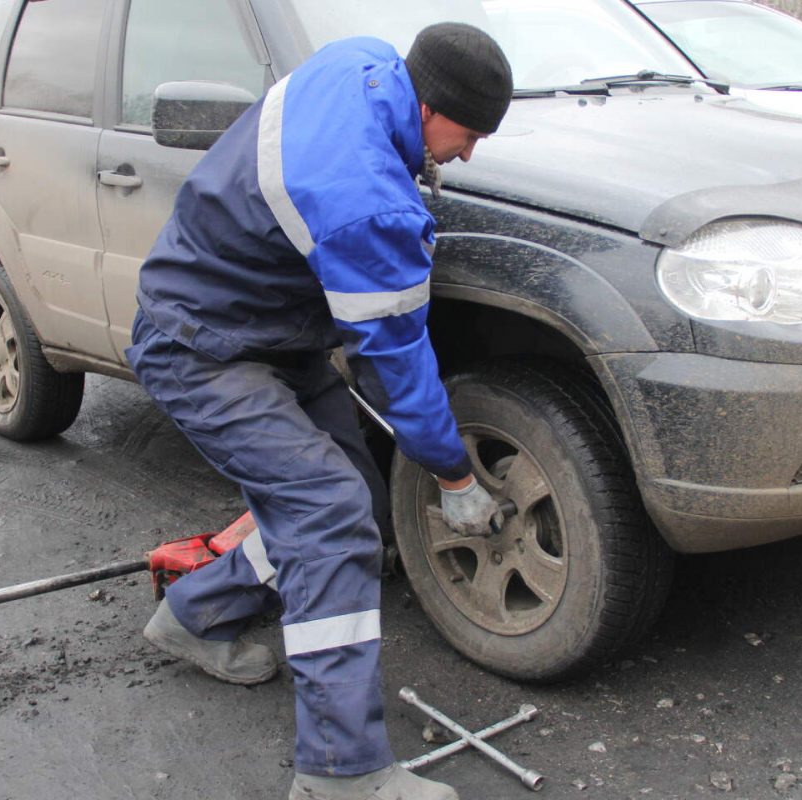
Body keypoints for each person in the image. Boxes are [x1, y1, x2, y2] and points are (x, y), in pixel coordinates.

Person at [125, 22, 513, 800]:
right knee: (331, 512)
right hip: (202, 347)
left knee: (356, 496)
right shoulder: (364, 194)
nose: (467, 154)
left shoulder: (364, 62)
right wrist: (454, 474)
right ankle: (342, 774)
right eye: (467, 135)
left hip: (268, 328)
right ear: (430, 105)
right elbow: (396, 360)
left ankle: (194, 615)